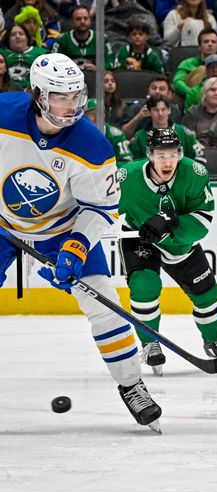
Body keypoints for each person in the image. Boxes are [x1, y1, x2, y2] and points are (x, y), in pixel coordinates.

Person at [0, 53, 161, 430]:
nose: (71, 106)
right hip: (3, 223)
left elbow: (99, 209)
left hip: (62, 229)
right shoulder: (3, 115)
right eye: (60, 97)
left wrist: (75, 247)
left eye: (76, 96)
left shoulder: (93, 146)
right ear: (37, 95)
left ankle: (131, 384)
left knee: (104, 303)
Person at [118, 128, 217, 376]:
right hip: (139, 238)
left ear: (180, 153)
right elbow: (99, 207)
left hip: (179, 243)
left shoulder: (194, 174)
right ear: (149, 155)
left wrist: (168, 223)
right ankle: (149, 343)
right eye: (160, 156)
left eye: (172, 155)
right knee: (144, 286)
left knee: (207, 292)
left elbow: (202, 222)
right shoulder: (127, 178)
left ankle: (214, 341)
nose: (167, 162)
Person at [129, 95, 205, 163]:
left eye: (163, 109)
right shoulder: (139, 137)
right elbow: (134, 165)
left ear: (169, 110)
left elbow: (200, 158)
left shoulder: (183, 133)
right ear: (149, 112)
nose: (160, 113)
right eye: (156, 110)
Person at [51, 6, 115, 72]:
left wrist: (98, 68)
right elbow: (53, 63)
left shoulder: (102, 39)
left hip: (94, 78)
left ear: (90, 20)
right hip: (70, 79)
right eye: (78, 19)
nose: (82, 21)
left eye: (86, 18)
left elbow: (111, 62)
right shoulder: (62, 39)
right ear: (72, 22)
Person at [121, 74, 183, 139]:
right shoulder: (136, 108)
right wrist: (138, 117)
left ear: (168, 93)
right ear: (148, 90)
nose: (157, 91)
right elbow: (123, 135)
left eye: (162, 89)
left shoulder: (175, 110)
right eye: (154, 88)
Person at [183, 77, 217, 149]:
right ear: (205, 93)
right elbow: (190, 139)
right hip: (200, 153)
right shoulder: (193, 112)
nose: (216, 93)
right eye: (212, 90)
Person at [171, 28, 217, 101]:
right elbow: (177, 82)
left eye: (213, 42)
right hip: (191, 99)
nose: (210, 44)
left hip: (216, 99)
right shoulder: (188, 63)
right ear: (199, 47)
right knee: (203, 69)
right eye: (206, 42)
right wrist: (193, 94)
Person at [0, 23, 48, 90]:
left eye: (21, 34)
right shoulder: (1, 54)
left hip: (33, 92)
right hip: (7, 91)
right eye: (13, 35)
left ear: (27, 38)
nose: (17, 36)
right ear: (8, 39)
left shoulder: (42, 54)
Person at [85, 98, 132, 164]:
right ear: (84, 116)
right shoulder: (78, 135)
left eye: (100, 113)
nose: (97, 117)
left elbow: (126, 161)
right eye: (92, 114)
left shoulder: (116, 135)